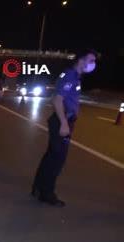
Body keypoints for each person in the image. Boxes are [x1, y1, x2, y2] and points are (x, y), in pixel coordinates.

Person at [31, 49, 98, 207]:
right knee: (57, 160)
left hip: (63, 120)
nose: (93, 64)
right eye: (91, 60)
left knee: (50, 157)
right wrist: (64, 123)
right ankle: (47, 193)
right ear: (81, 60)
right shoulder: (70, 76)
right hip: (63, 121)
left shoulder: (75, 77)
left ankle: (38, 188)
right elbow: (57, 99)